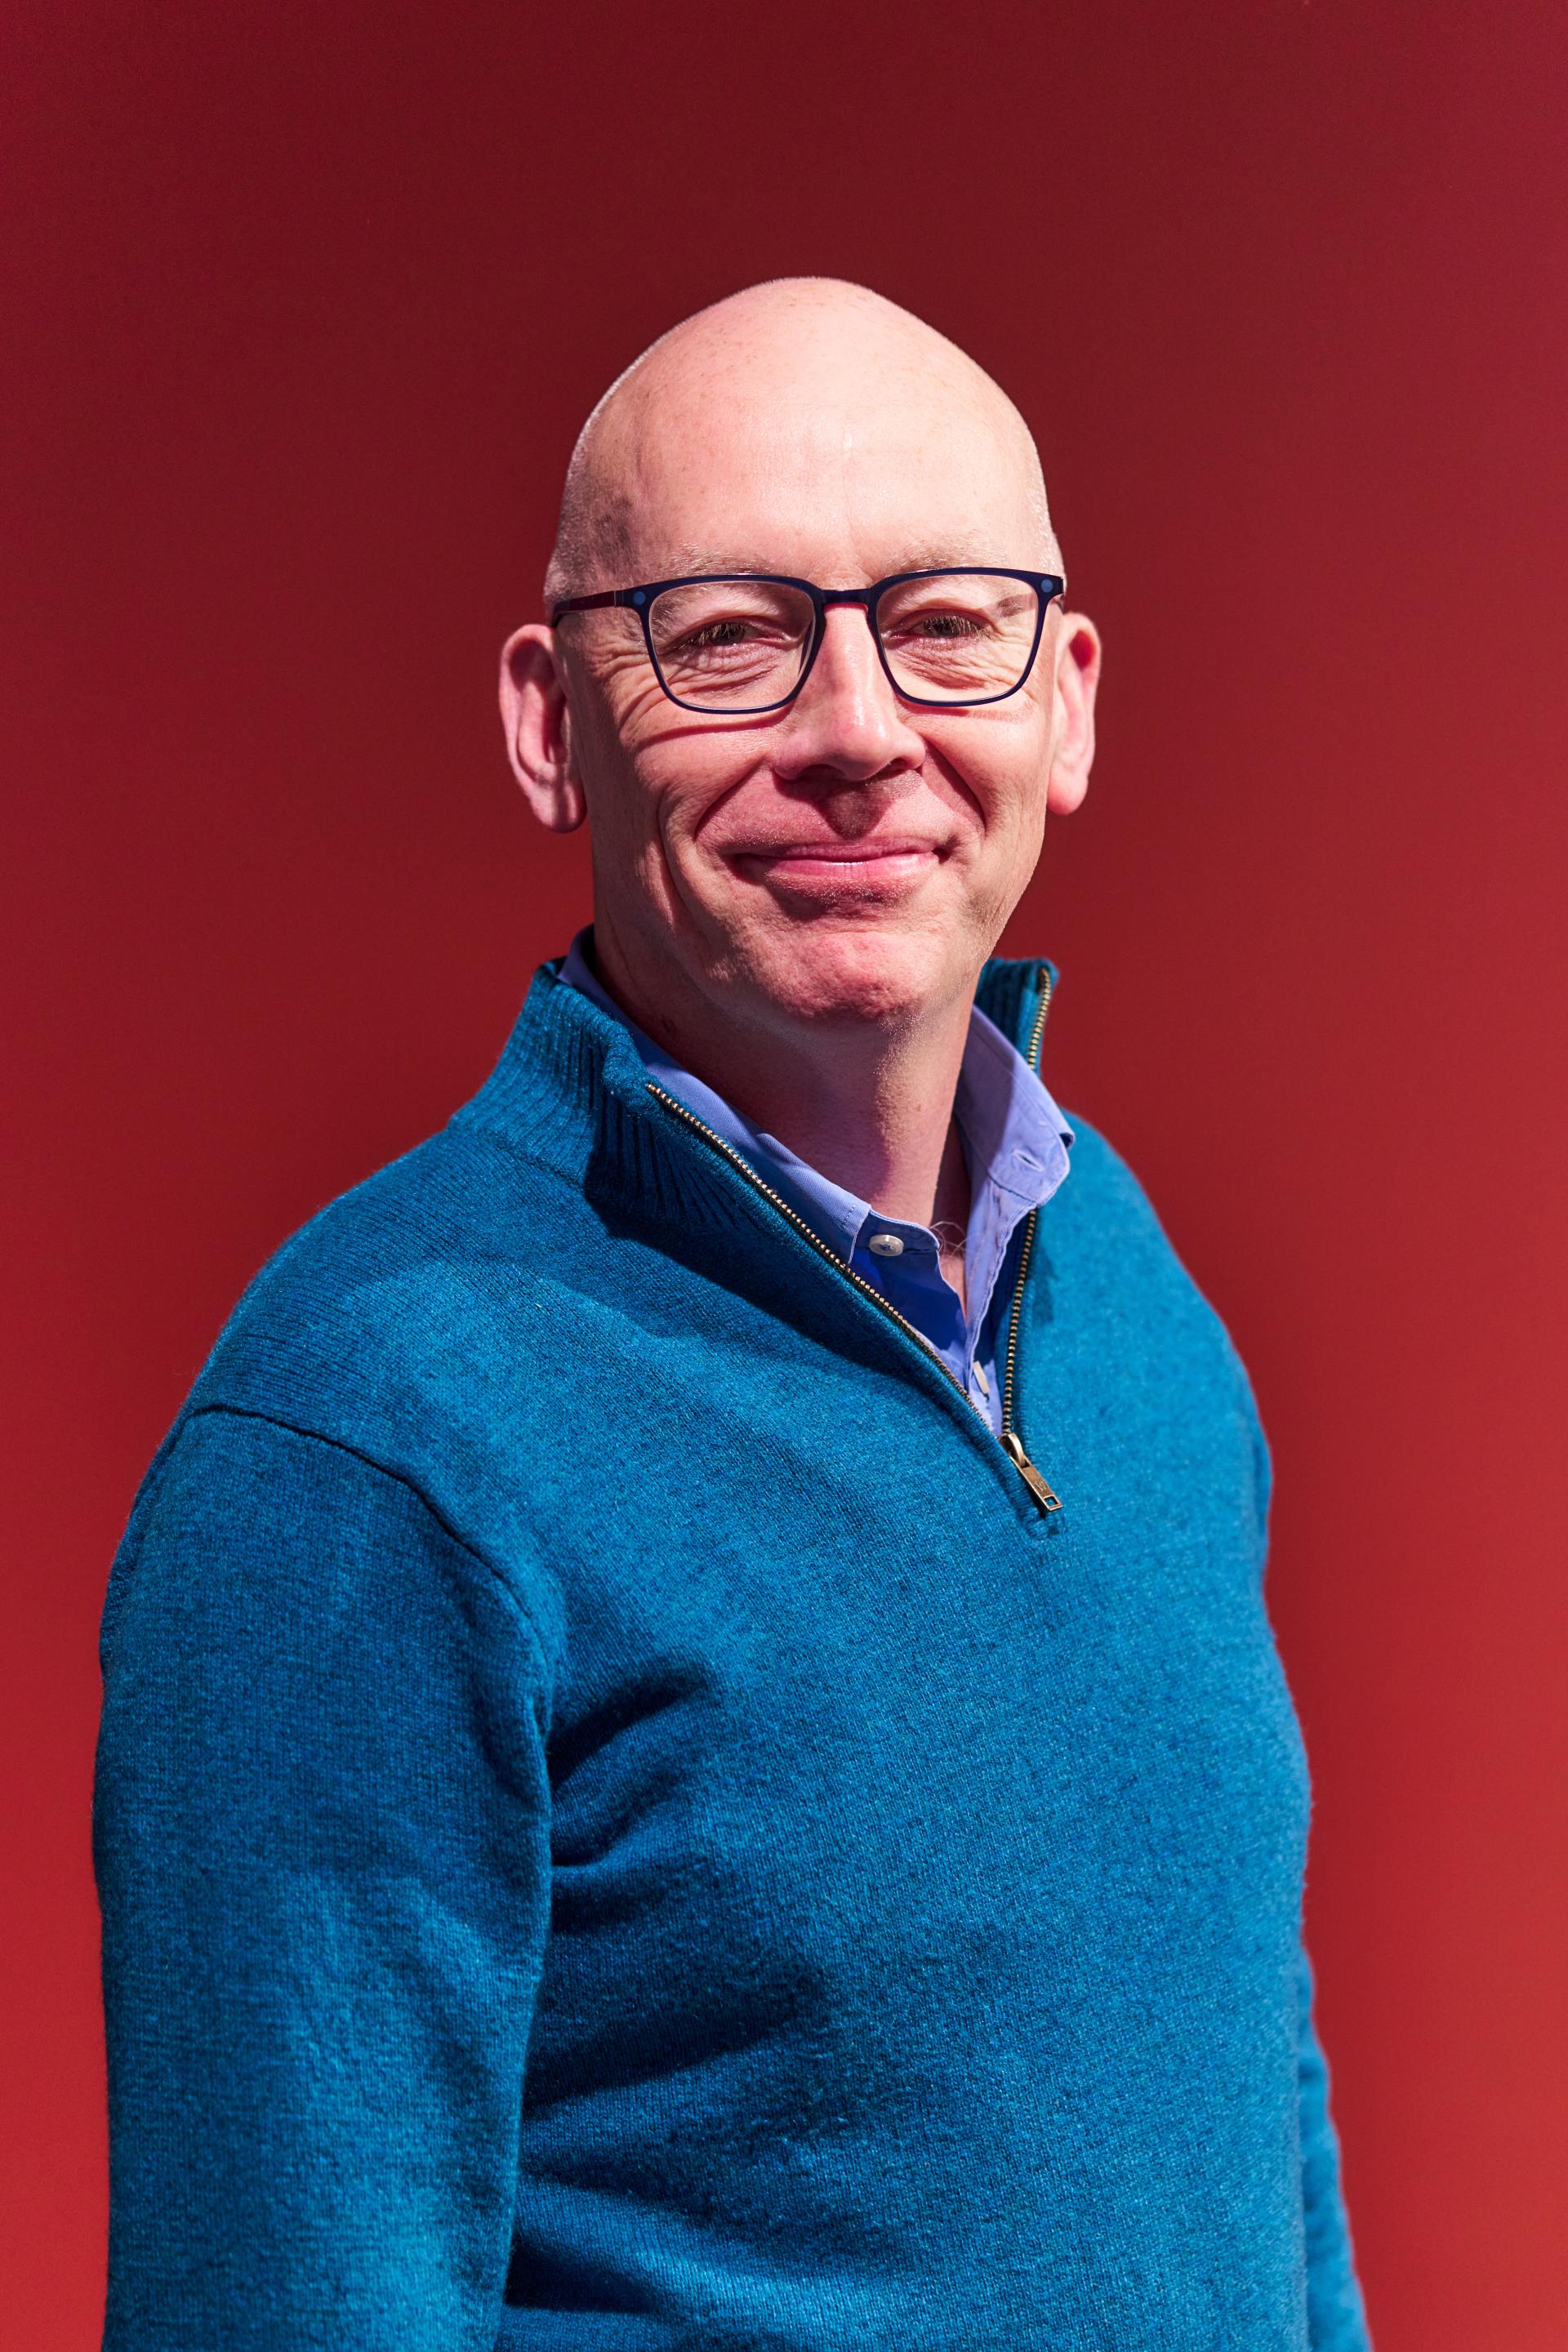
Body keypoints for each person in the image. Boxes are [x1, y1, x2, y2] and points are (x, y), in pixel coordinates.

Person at [94, 278, 1372, 2351]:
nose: (860, 731)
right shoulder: (366, 1453)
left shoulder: (1134, 1303)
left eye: (949, 621)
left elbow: (1254, 2103)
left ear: (1069, 699)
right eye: (728, 635)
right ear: (547, 721)